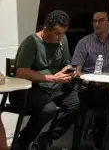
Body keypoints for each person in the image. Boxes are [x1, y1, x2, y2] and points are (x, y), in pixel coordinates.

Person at [13, 10, 80, 150]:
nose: (60, 37)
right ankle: (23, 142)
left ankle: (47, 138)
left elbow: (66, 63)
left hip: (53, 87)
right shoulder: (32, 42)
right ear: (45, 29)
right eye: (57, 33)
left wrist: (69, 71)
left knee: (76, 103)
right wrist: (53, 78)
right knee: (48, 108)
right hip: (30, 88)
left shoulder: (63, 41)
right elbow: (21, 72)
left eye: (63, 33)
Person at [72, 8, 109, 149]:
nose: (97, 24)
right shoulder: (85, 42)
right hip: (90, 85)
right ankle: (100, 134)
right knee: (102, 98)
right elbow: (77, 70)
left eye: (101, 21)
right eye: (94, 21)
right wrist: (90, 80)